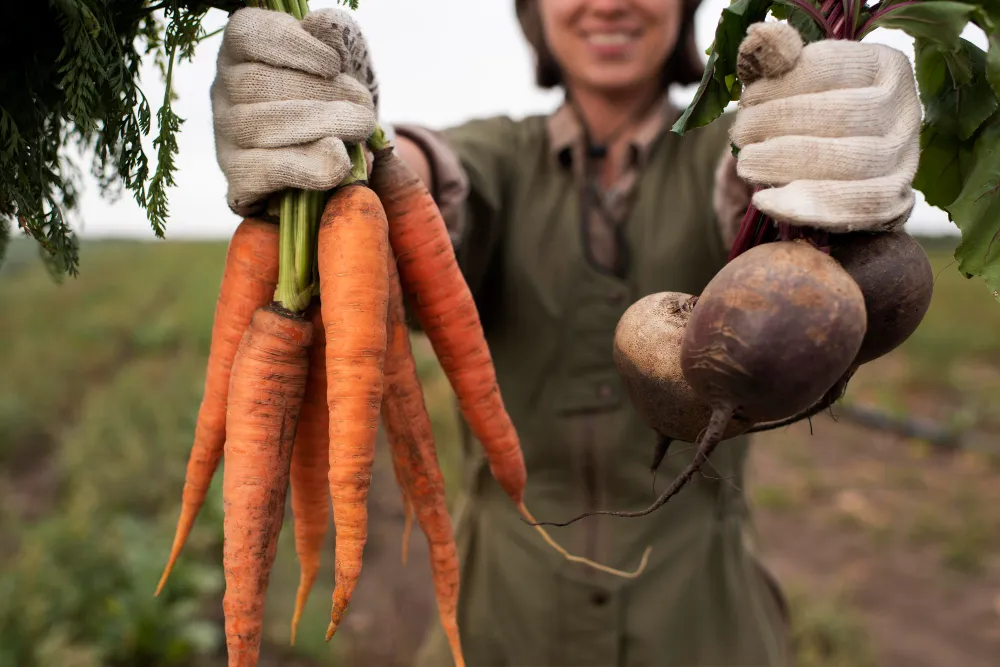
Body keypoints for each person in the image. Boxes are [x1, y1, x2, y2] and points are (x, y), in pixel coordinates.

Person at [210, 1, 921, 664]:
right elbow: (436, 180)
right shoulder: (500, 154)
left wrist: (819, 161)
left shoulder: (729, 150)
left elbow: (751, 183)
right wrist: (355, 154)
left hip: (703, 619)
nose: (607, 4)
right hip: (501, 620)